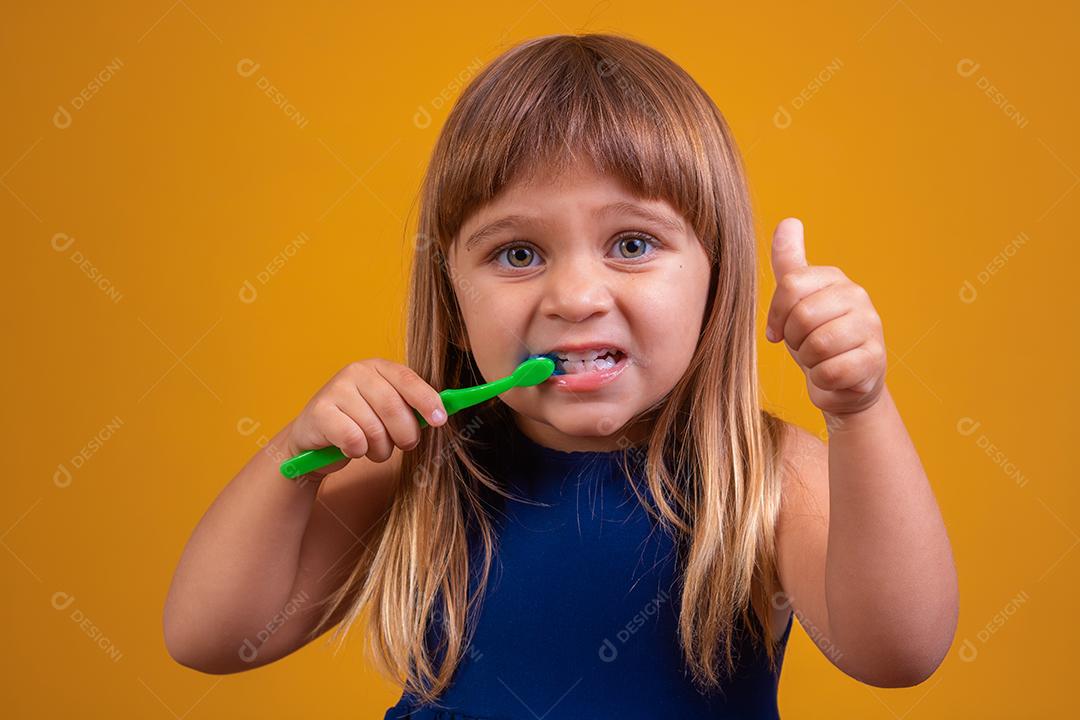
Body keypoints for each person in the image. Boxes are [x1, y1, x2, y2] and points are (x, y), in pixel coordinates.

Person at [163, 33, 958, 719]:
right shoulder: (426, 462)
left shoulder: (762, 476)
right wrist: (293, 459)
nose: (575, 297)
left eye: (633, 244)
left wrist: (860, 411)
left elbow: (896, 651)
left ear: (717, 275)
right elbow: (211, 637)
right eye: (518, 254)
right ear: (453, 291)